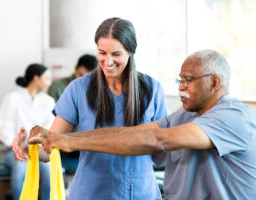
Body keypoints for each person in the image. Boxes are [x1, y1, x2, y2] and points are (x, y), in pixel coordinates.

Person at [34, 49, 256, 200]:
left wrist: (73, 144)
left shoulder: (234, 117)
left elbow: (156, 141)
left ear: (215, 82)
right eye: (180, 80)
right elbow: (130, 132)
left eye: (188, 80)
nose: (181, 88)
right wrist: (63, 138)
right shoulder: (185, 116)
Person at [13, 17, 168, 200]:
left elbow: (161, 156)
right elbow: (49, 149)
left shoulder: (152, 89)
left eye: (116, 54)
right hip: (91, 191)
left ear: (131, 52)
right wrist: (26, 145)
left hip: (139, 191)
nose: (108, 62)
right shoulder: (78, 89)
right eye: (102, 52)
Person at [0, 63, 55, 200]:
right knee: (20, 170)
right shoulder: (12, 98)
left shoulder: (49, 101)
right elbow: (3, 129)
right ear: (36, 78)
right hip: (15, 151)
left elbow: (49, 131)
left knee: (49, 171)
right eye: (47, 79)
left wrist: (33, 148)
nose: (49, 83)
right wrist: (18, 146)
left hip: (39, 151)